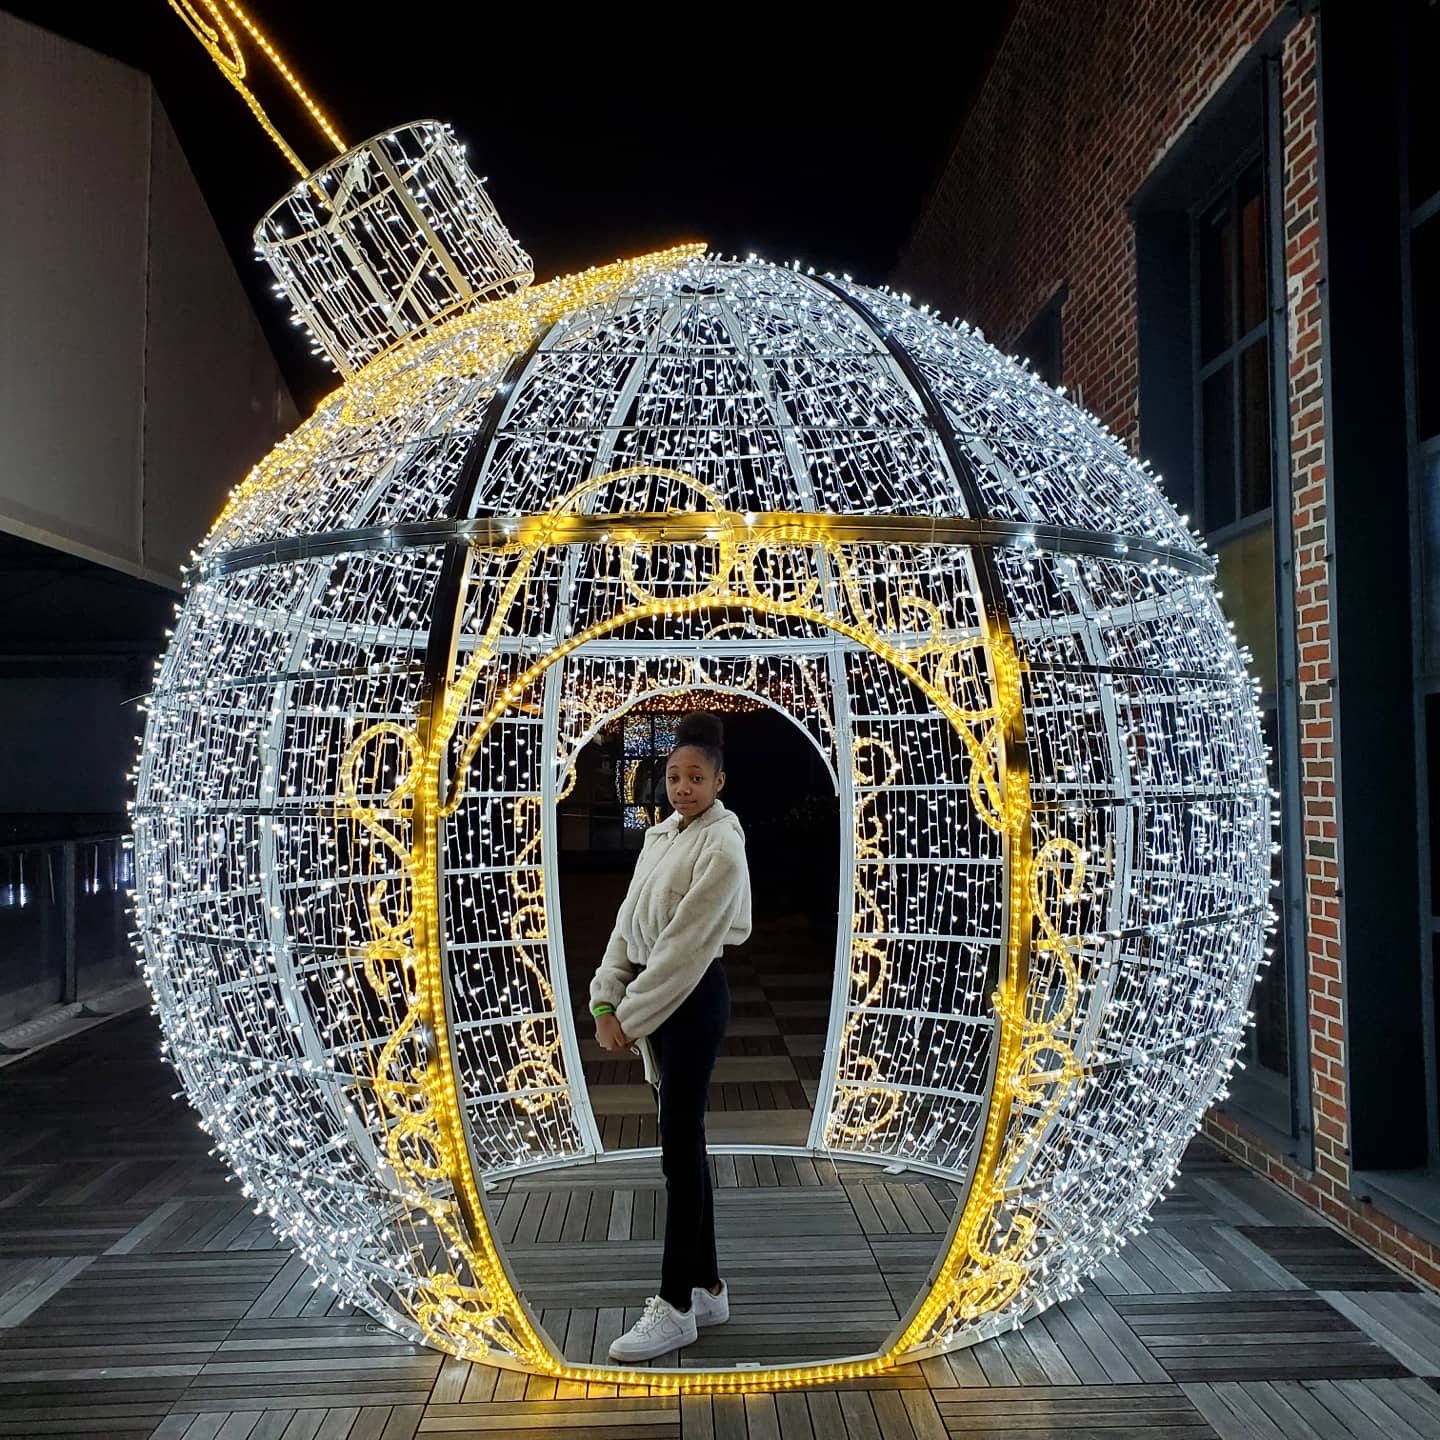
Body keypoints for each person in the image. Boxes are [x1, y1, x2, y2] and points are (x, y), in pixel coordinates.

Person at [589, 711, 752, 1363]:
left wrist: (628, 1017)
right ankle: (708, 1288)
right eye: (673, 775)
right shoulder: (661, 836)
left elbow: (685, 947)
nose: (682, 786)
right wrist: (605, 998)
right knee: (683, 1147)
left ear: (718, 780)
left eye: (695, 777)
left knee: (678, 1156)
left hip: (691, 999)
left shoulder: (722, 844)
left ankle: (675, 1306)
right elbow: (628, 926)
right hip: (655, 1001)